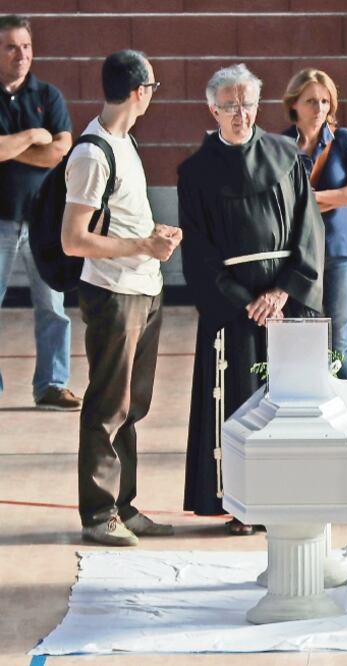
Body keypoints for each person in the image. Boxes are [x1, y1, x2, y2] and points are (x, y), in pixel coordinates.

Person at [179, 64, 324, 535]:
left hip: (287, 302)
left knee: (288, 404)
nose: (240, 114)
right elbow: (198, 251)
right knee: (240, 405)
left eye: (247, 104)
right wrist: (246, 301)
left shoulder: (286, 154)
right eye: (229, 106)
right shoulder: (196, 173)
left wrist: (282, 292)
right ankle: (242, 503)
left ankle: (291, 498)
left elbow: (309, 229)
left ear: (258, 106)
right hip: (234, 309)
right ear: (212, 110)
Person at [61, 50, 181, 546]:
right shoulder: (92, 152)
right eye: (152, 85)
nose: (153, 93)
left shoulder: (124, 141)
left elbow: (118, 218)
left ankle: (123, 506)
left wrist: (152, 235)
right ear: (139, 91)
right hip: (114, 294)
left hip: (143, 287)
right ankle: (98, 514)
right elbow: (74, 239)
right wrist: (141, 246)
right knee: (108, 405)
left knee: (132, 406)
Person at [0, 14, 78, 410]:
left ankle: (51, 384)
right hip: (0, 220)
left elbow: (61, 148)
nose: (21, 55)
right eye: (12, 47)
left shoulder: (48, 96)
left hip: (43, 221)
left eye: (26, 46)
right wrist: (32, 136)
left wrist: (11, 148)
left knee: (52, 306)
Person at [282, 68, 347, 380]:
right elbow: (280, 204)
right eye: (311, 101)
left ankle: (343, 413)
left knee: (338, 342)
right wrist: (339, 195)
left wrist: (311, 197)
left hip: (341, 252)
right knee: (301, 336)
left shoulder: (345, 140)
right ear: (294, 104)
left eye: (325, 101)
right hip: (298, 253)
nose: (319, 108)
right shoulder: (279, 146)